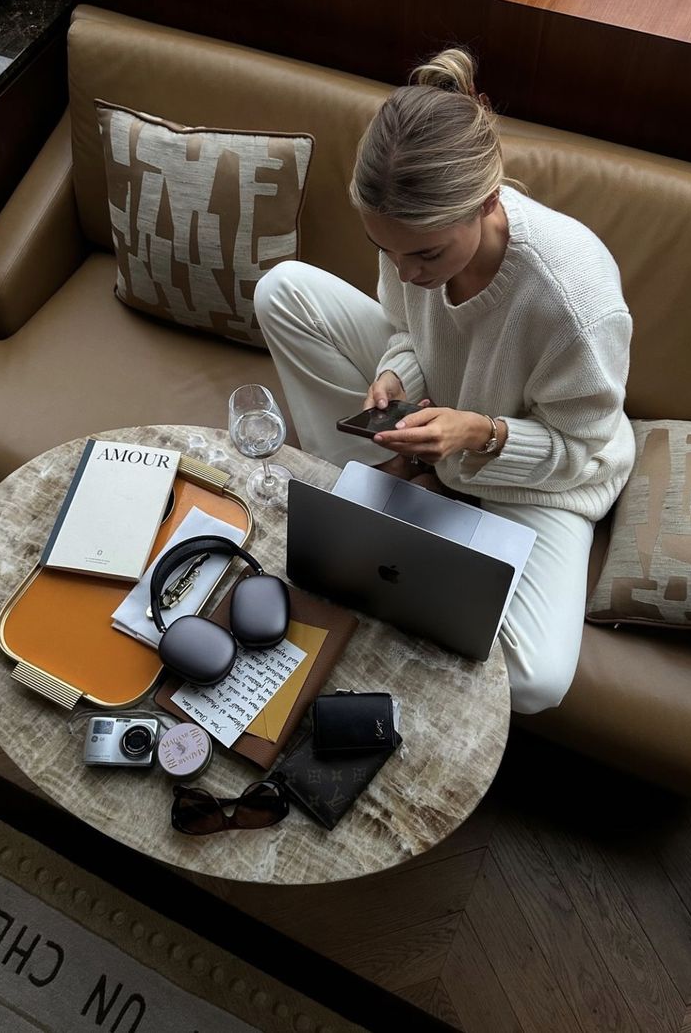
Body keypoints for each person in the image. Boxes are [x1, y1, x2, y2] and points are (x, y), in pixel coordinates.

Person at [254, 47, 635, 715]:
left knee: (538, 678)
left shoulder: (574, 300)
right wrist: (394, 375)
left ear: (488, 202)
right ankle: (387, 488)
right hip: (446, 417)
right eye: (385, 250)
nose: (406, 273)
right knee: (284, 290)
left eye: (426, 254)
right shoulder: (409, 246)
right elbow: (404, 325)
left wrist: (480, 435)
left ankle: (401, 502)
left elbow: (583, 450)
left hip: (543, 474)